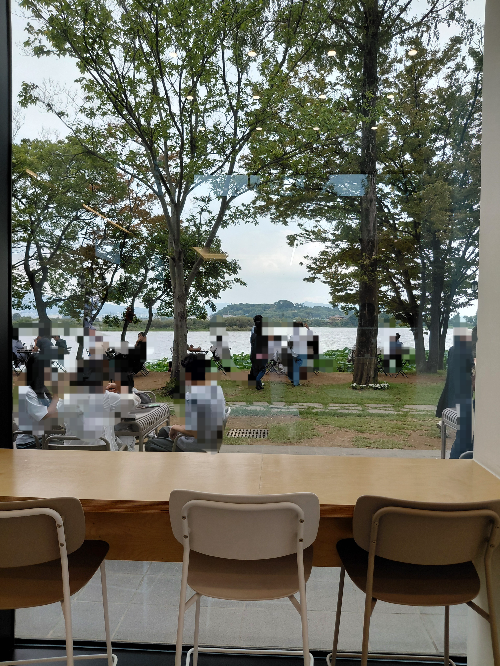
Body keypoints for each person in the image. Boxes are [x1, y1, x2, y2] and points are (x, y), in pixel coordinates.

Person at [147, 353, 226, 452]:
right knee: (164, 431)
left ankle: (177, 457)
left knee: (151, 444)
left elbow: (194, 431)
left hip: (199, 443)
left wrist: (176, 427)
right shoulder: (215, 388)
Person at [436, 327, 474, 458]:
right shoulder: (467, 350)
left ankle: (444, 422)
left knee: (452, 401)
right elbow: (471, 365)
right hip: (464, 383)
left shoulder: (452, 349)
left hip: (452, 379)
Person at [15, 355, 61, 449]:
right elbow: (44, 415)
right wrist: (56, 397)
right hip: (29, 442)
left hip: (41, 437)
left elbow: (52, 410)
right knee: (65, 447)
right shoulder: (27, 391)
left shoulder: (40, 389)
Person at [287, 321, 313, 387]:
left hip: (292, 352)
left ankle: (292, 379)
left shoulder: (293, 335)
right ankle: (296, 383)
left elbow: (289, 344)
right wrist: (308, 328)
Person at [249, 315, 267, 391]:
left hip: (253, 353)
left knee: (255, 369)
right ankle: (257, 380)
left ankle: (258, 384)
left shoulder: (253, 333)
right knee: (263, 369)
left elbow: (251, 342)